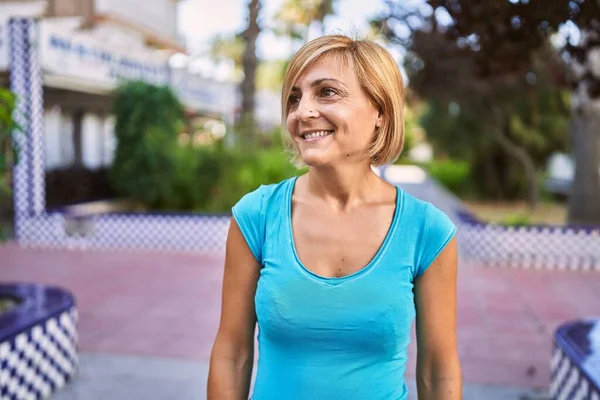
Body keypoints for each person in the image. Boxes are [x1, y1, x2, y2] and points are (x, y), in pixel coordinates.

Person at [207, 34, 462, 400]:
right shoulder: (256, 216)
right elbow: (232, 355)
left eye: (326, 92)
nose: (302, 112)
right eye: (295, 98)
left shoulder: (427, 231)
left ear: (380, 112)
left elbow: (439, 371)